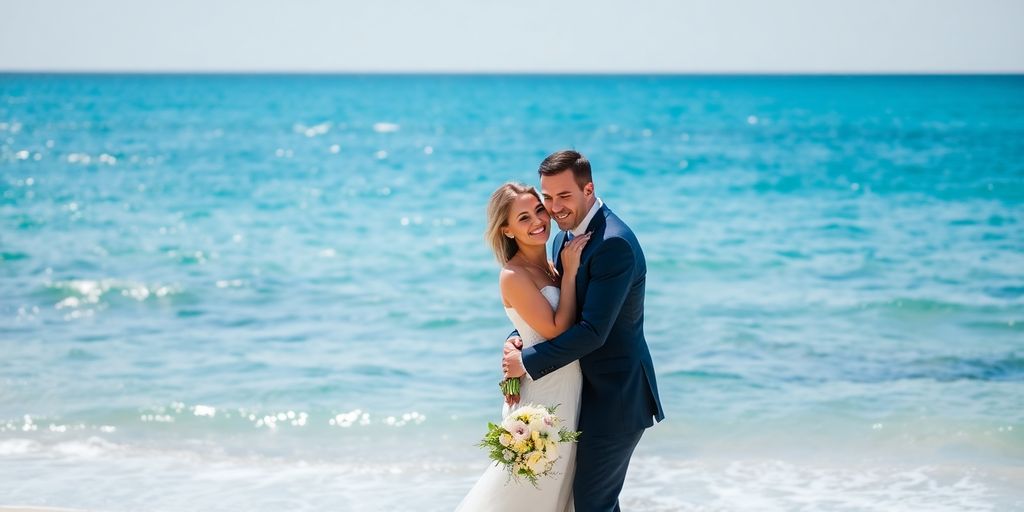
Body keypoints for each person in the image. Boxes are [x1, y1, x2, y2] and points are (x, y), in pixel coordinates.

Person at [501, 150, 665, 512]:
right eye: (548, 197)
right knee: (583, 502)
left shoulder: (613, 244)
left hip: (615, 397)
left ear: (588, 189)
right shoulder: (563, 239)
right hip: (576, 395)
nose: (554, 207)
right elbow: (554, 311)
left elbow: (593, 332)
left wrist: (526, 361)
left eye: (564, 196)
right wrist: (519, 337)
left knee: (593, 503)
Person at [456, 182, 591, 511]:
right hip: (542, 395)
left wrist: (512, 341)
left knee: (558, 490)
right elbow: (558, 328)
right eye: (524, 218)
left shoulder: (552, 262)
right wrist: (571, 273)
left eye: (539, 211)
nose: (537, 222)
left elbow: (530, 326)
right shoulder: (513, 275)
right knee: (528, 491)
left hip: (569, 387)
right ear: (508, 230)